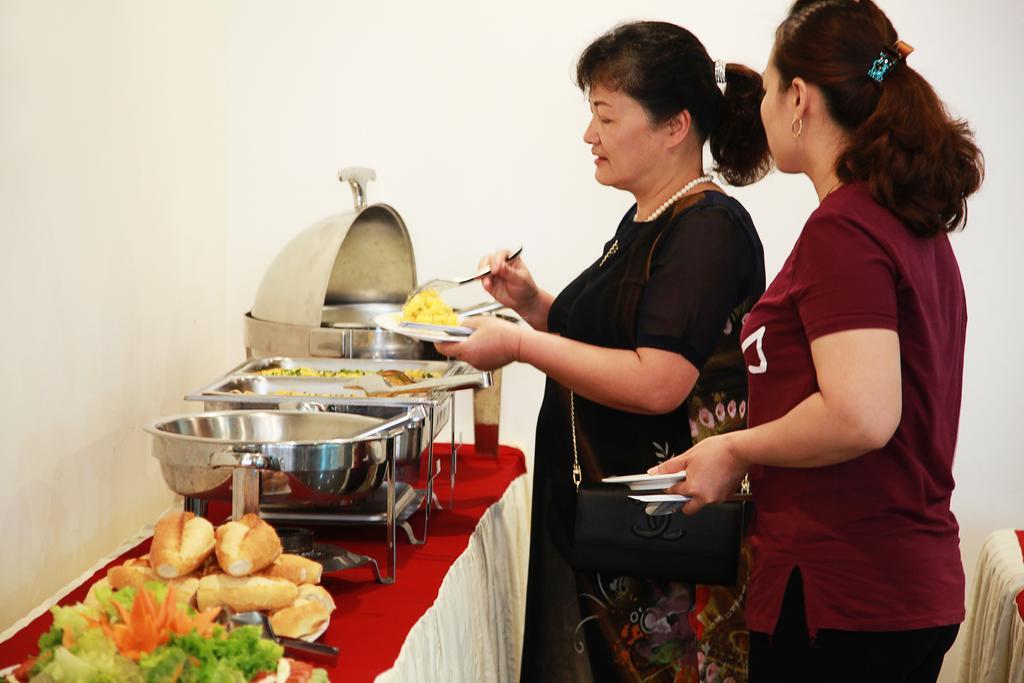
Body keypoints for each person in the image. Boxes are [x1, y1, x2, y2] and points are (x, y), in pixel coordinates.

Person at [651, 2, 984, 681]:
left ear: (799, 98)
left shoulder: (846, 228)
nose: (764, 105)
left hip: (845, 593)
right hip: (887, 588)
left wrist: (733, 448)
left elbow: (861, 412)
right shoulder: (905, 222)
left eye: (771, 87)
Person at [435, 21, 771, 683]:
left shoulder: (707, 229)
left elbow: (658, 381)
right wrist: (534, 303)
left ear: (674, 126)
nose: (589, 135)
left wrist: (522, 344)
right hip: (620, 538)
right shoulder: (651, 216)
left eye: (605, 116)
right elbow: (619, 333)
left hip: (667, 553)